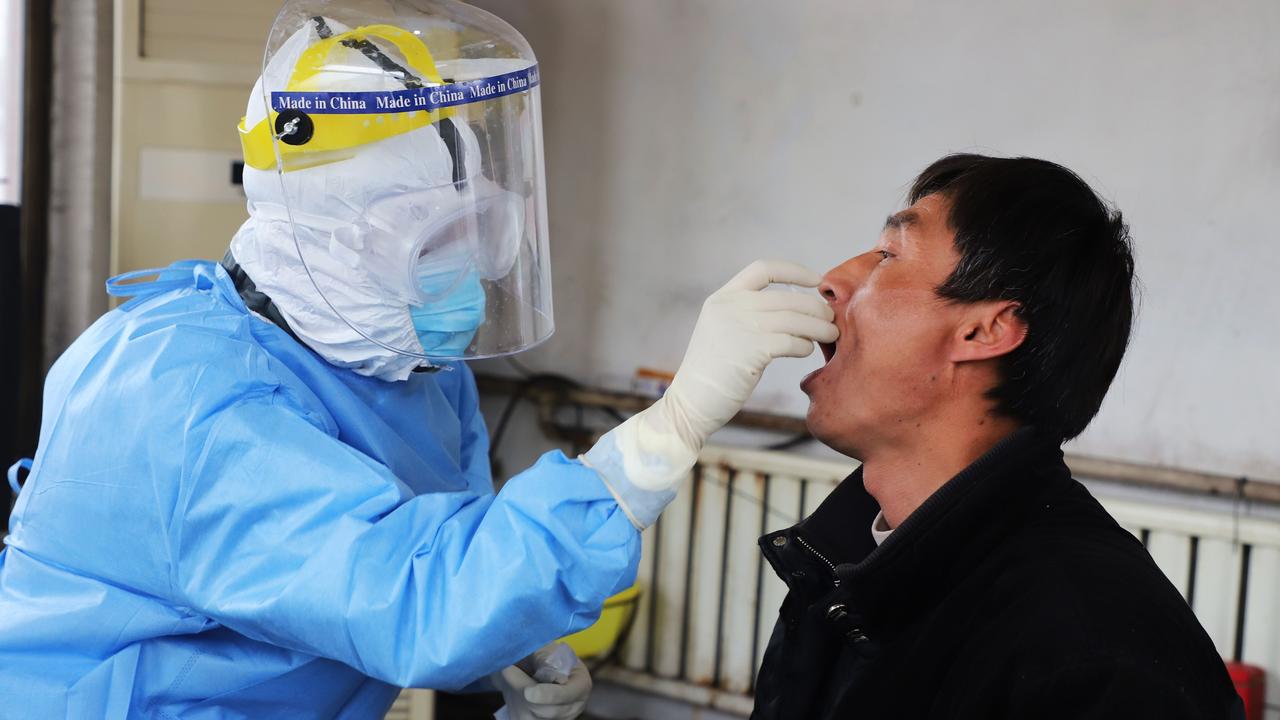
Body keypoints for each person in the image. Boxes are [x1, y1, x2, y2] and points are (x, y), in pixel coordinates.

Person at [0, 6, 838, 719]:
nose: (469, 279)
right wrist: (671, 425)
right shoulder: (180, 398)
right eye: (437, 243)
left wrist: (508, 641)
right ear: (318, 239)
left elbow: (445, 549)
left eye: (484, 233)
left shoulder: (409, 367)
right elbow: (413, 602)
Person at [751, 154, 1245, 719]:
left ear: (986, 330)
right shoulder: (842, 565)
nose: (832, 282)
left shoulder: (1089, 642)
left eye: (889, 254)